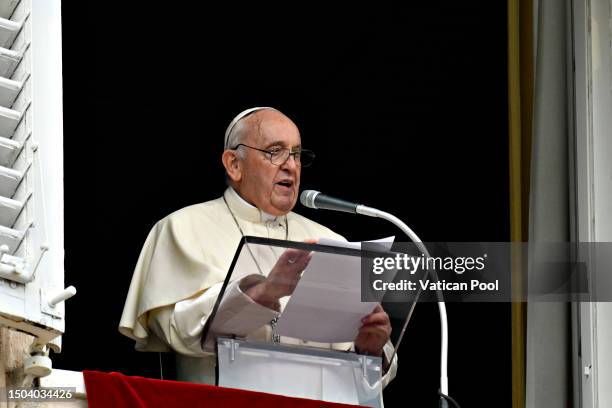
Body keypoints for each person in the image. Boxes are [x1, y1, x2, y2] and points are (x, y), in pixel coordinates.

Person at [119, 107, 397, 388]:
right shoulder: (181, 227)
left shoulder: (330, 240)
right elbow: (177, 331)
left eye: (297, 154)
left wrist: (371, 350)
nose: (291, 165)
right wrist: (262, 293)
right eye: (275, 151)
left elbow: (370, 375)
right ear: (234, 164)